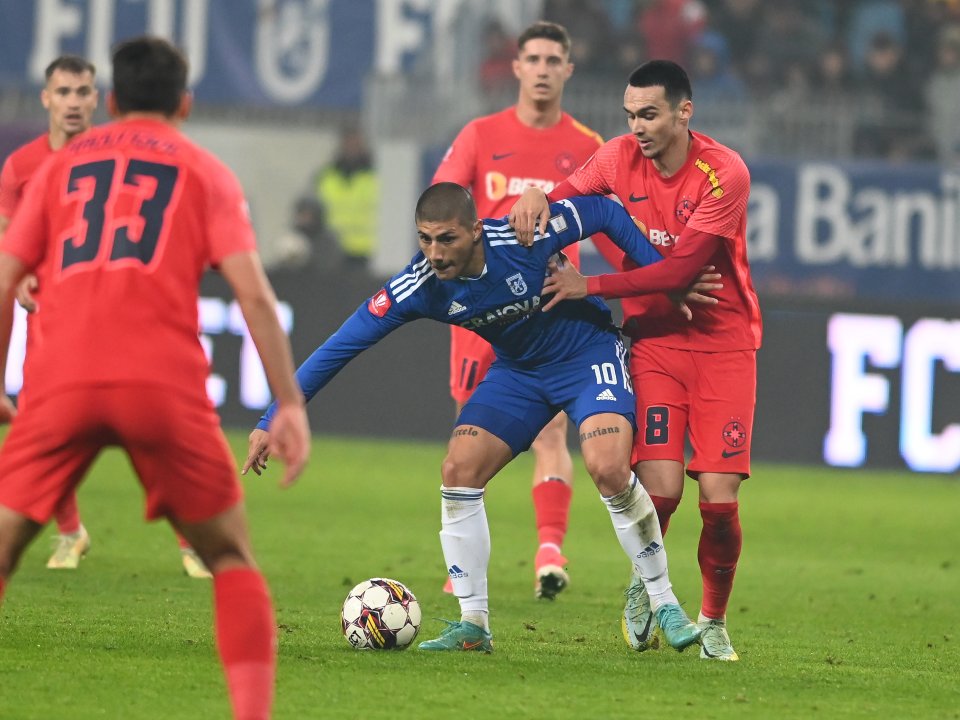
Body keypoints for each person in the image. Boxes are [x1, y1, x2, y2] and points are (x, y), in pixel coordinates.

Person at [245, 181, 717, 653]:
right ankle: (474, 624)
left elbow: (603, 212)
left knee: (608, 466)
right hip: (520, 374)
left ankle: (664, 601)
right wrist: (274, 417)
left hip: (586, 353)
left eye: (446, 238)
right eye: (425, 239)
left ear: (475, 231)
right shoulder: (420, 286)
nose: (435, 252)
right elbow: (342, 345)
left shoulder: (523, 238)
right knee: (459, 468)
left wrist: (664, 278)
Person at [0, 36, 311, 720]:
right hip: (162, 383)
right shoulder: (207, 172)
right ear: (186, 103)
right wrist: (287, 402)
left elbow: (5, 280)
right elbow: (255, 297)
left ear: (109, 102)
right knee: (230, 556)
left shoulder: (54, 170)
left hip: (61, 378)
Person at [509, 59, 760, 661]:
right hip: (655, 340)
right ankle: (646, 589)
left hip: (724, 341)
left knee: (719, 498)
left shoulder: (724, 172)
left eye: (649, 114)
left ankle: (714, 621)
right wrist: (538, 193)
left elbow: (679, 272)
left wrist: (586, 286)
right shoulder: (616, 158)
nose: (638, 127)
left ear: (684, 111)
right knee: (663, 491)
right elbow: (560, 206)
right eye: (630, 115)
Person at [0, 54, 212, 579]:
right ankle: (70, 530)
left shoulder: (117, 157)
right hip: (49, 324)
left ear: (100, 99)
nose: (74, 102)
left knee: (157, 429)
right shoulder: (20, 168)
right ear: (46, 99)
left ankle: (192, 539)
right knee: (40, 427)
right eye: (64, 92)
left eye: (83, 92)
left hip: (117, 319)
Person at [431, 20, 605, 600]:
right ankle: (465, 569)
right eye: (533, 58)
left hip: (545, 308)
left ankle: (549, 551)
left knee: (551, 433)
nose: (542, 69)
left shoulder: (588, 146)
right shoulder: (481, 134)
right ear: (517, 67)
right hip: (479, 308)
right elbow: (442, 203)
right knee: (470, 437)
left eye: (554, 60)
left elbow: (611, 227)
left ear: (568, 70)